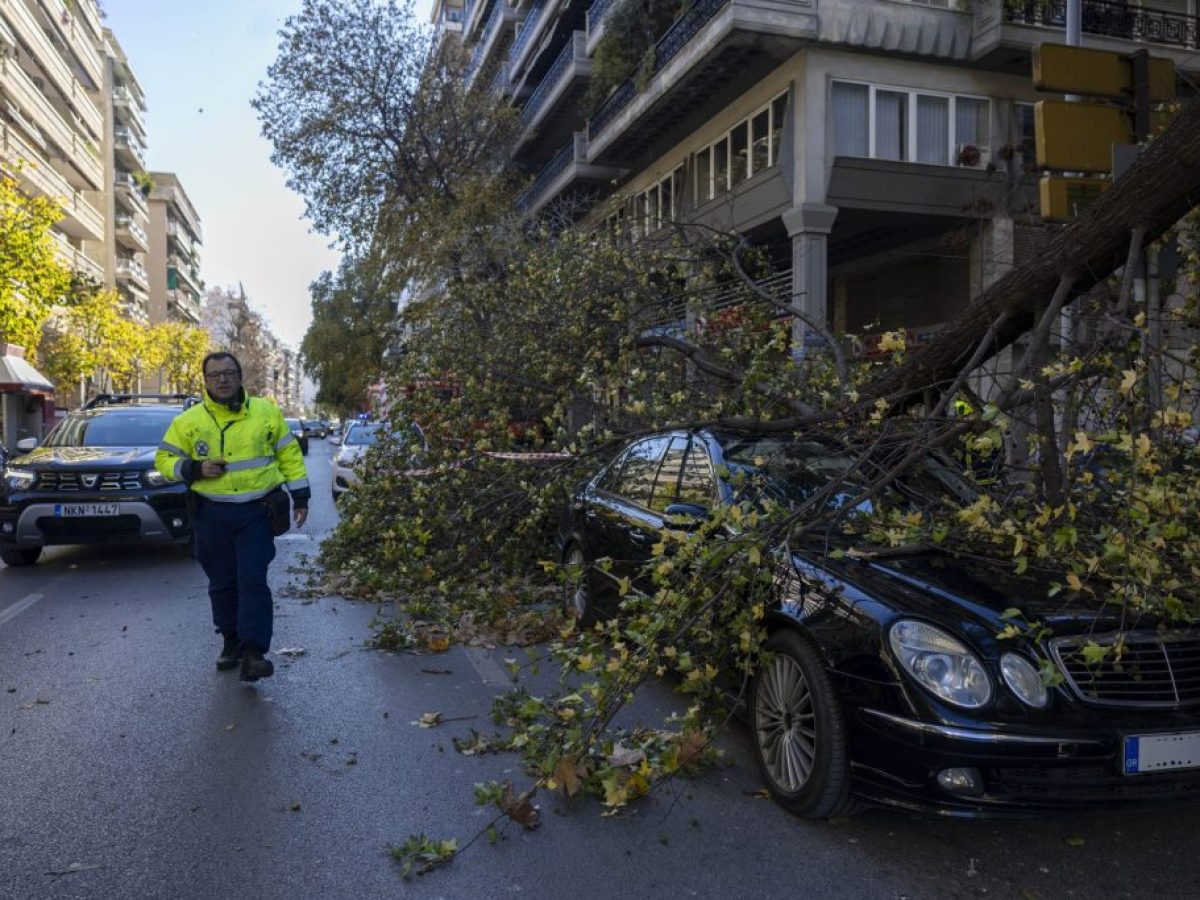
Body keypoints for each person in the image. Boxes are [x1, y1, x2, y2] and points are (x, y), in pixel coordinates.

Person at [155, 352, 310, 681]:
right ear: (206, 381)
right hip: (210, 514)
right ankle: (230, 641)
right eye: (214, 375)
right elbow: (164, 460)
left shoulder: (266, 412)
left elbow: (289, 455)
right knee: (222, 583)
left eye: (228, 373)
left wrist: (301, 496)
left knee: (253, 580)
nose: (222, 380)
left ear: (240, 377)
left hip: (256, 512)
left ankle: (254, 652)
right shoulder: (189, 421)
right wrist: (194, 468)